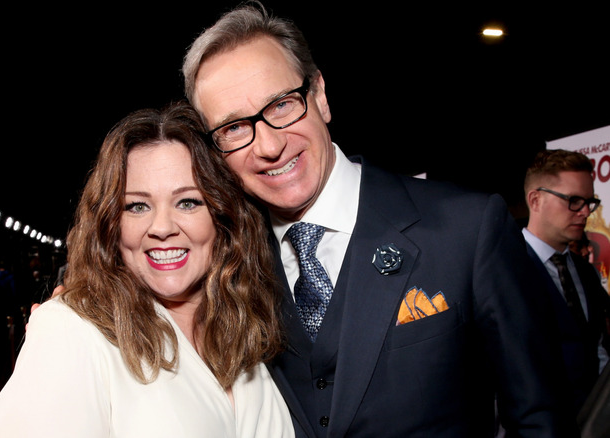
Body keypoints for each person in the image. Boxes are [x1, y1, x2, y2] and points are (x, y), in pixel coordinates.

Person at [181, 3, 575, 437]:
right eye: (235, 127)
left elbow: (541, 418)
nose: (270, 145)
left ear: (320, 97)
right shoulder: (229, 268)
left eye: (281, 105)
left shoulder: (466, 229)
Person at [0, 101, 294, 437]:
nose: (161, 227)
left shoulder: (245, 333)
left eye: (187, 202)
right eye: (137, 206)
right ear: (111, 225)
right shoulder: (72, 331)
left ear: (223, 217)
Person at [522, 149, 610, 415]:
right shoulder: (501, 268)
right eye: (573, 200)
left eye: (589, 202)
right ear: (535, 200)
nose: (585, 212)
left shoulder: (586, 272)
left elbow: (596, 347)